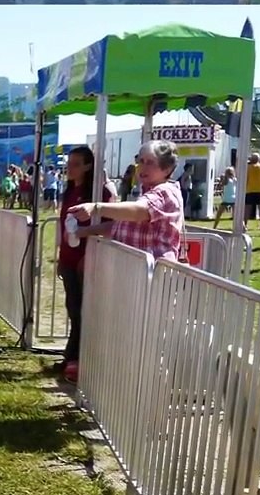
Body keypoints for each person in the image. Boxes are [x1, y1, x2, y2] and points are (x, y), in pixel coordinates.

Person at [68, 139, 184, 264]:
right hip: (136, 274)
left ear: (167, 169)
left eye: (150, 162)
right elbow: (122, 226)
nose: (142, 167)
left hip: (152, 275)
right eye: (141, 161)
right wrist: (85, 231)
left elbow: (138, 212)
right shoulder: (148, 192)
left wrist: (96, 208)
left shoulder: (164, 192)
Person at [55, 145, 116, 383]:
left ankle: (77, 359)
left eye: (76, 164)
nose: (70, 168)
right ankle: (71, 356)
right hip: (69, 260)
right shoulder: (70, 190)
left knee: (82, 312)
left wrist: (86, 255)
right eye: (69, 163)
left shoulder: (99, 194)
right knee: (73, 308)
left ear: (88, 166)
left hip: (86, 261)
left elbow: (110, 226)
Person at [243, 153, 260, 226]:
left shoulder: (247, 168)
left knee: (247, 208)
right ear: (259, 159)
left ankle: (245, 224)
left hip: (250, 190)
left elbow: (245, 179)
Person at [212, 166, 237, 230]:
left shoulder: (226, 179)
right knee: (236, 215)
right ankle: (242, 227)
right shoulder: (235, 179)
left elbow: (220, 185)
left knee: (219, 214)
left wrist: (222, 179)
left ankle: (214, 227)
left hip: (226, 199)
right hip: (233, 198)